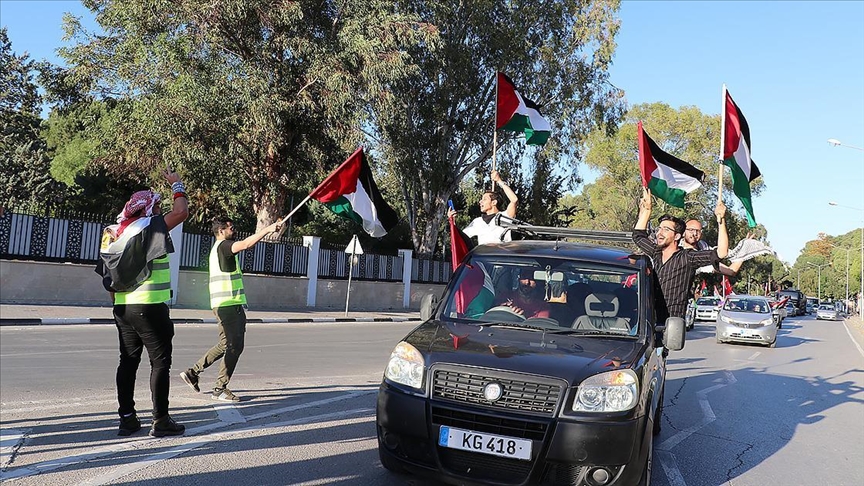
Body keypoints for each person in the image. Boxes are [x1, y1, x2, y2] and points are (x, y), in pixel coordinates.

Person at [97, 170, 189, 437]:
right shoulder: (147, 228)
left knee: (127, 361)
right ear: (148, 208)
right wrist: (177, 184)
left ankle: (127, 419)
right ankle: (160, 421)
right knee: (160, 363)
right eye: (158, 206)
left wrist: (118, 304)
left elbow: (108, 277)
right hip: (150, 306)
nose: (161, 210)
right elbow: (181, 212)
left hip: (122, 308)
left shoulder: (112, 233)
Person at [180, 217, 282, 402]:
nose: (233, 231)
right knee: (234, 346)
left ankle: (193, 372)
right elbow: (245, 244)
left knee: (226, 344)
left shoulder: (217, 249)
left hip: (225, 305)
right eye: (230, 228)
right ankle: (219, 388)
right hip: (228, 305)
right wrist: (268, 229)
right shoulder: (224, 246)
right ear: (221, 231)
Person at [632, 188, 729, 323]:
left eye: (666, 229)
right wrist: (647, 210)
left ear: (677, 236)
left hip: (671, 324)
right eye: (659, 229)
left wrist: (721, 220)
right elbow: (638, 236)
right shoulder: (656, 252)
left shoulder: (688, 257)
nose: (660, 233)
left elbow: (721, 253)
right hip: (649, 319)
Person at [447, 170, 518, 245]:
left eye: (484, 199)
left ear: (494, 202)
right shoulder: (477, 222)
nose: (480, 202)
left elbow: (514, 200)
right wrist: (452, 222)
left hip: (501, 255)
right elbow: (460, 239)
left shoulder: (505, 217)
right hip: (483, 256)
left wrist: (499, 180)